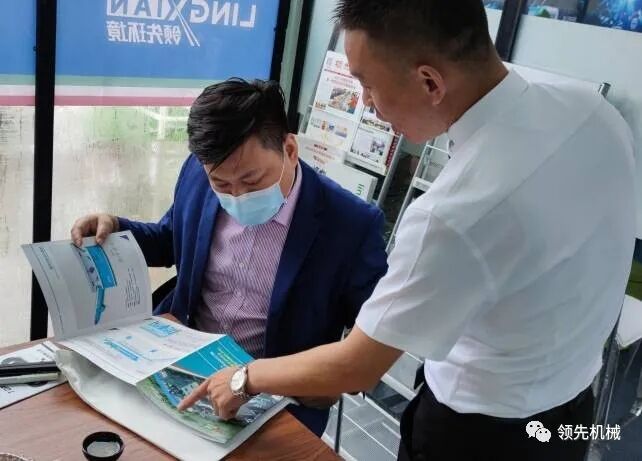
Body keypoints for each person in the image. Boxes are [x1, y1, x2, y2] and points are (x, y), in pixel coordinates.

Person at [178, 1, 637, 460]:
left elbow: (358, 366)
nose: (365, 102)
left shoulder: (455, 213)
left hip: (477, 437)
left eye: (367, 84)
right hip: (571, 413)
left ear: (430, 82)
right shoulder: (590, 111)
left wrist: (245, 378)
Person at [70, 78, 389, 436]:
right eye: (221, 185)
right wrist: (116, 228)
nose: (237, 196)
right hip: (181, 353)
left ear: (289, 149)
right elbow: (171, 239)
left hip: (274, 390)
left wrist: (321, 382)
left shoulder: (351, 226)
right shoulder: (198, 172)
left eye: (253, 181)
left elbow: (372, 341)